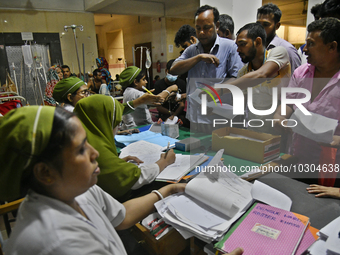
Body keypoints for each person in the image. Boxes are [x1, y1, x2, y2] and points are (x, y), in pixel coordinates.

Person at [0, 105, 187, 254]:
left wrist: (167, 191)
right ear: (45, 173)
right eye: (81, 149)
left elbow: (122, 215)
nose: (95, 153)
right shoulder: (59, 244)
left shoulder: (76, 190)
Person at [273, 18, 340, 186]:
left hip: (330, 169)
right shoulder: (301, 73)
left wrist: (337, 140)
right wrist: (280, 116)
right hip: (296, 158)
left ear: (332, 47)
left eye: (311, 44)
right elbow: (288, 102)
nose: (305, 49)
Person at [74, 94, 176, 201]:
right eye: (117, 123)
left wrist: (118, 162)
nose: (118, 128)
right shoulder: (95, 151)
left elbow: (105, 170)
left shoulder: (82, 139)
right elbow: (133, 178)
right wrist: (164, 162)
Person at [170, 4, 243, 133]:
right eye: (198, 28)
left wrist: (213, 92)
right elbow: (173, 69)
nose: (202, 32)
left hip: (218, 117)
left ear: (217, 25)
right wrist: (198, 58)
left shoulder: (230, 47)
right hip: (195, 117)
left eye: (206, 28)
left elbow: (236, 79)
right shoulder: (192, 50)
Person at [232, 22, 290, 135]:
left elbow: (262, 74)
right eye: (237, 45)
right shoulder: (244, 72)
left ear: (258, 42)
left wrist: (221, 89)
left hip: (279, 132)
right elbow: (240, 107)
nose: (238, 50)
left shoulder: (278, 53)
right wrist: (216, 110)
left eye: (242, 44)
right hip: (255, 132)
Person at [257, 3, 301, 73]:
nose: (261, 28)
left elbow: (297, 80)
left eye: (266, 25)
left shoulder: (288, 49)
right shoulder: (256, 47)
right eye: (258, 24)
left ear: (277, 26)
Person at [154, 59, 188, 126]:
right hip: (164, 113)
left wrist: (174, 115)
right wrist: (171, 114)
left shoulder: (182, 83)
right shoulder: (158, 84)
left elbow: (182, 105)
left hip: (178, 113)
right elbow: (158, 106)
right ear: (166, 71)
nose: (174, 75)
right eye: (172, 72)